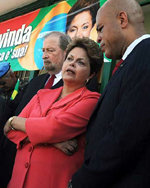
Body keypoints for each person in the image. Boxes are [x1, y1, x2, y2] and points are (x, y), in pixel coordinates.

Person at [70, 0, 150, 187]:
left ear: (122, 19)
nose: (97, 38)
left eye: (100, 28)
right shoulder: (132, 61)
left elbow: (125, 138)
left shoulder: (145, 58)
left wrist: (82, 181)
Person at [4, 37, 103, 188]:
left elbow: (51, 128)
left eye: (80, 62)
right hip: (17, 182)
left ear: (90, 75)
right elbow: (9, 131)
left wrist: (14, 121)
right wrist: (55, 142)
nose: (72, 64)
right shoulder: (41, 94)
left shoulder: (90, 100)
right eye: (69, 59)